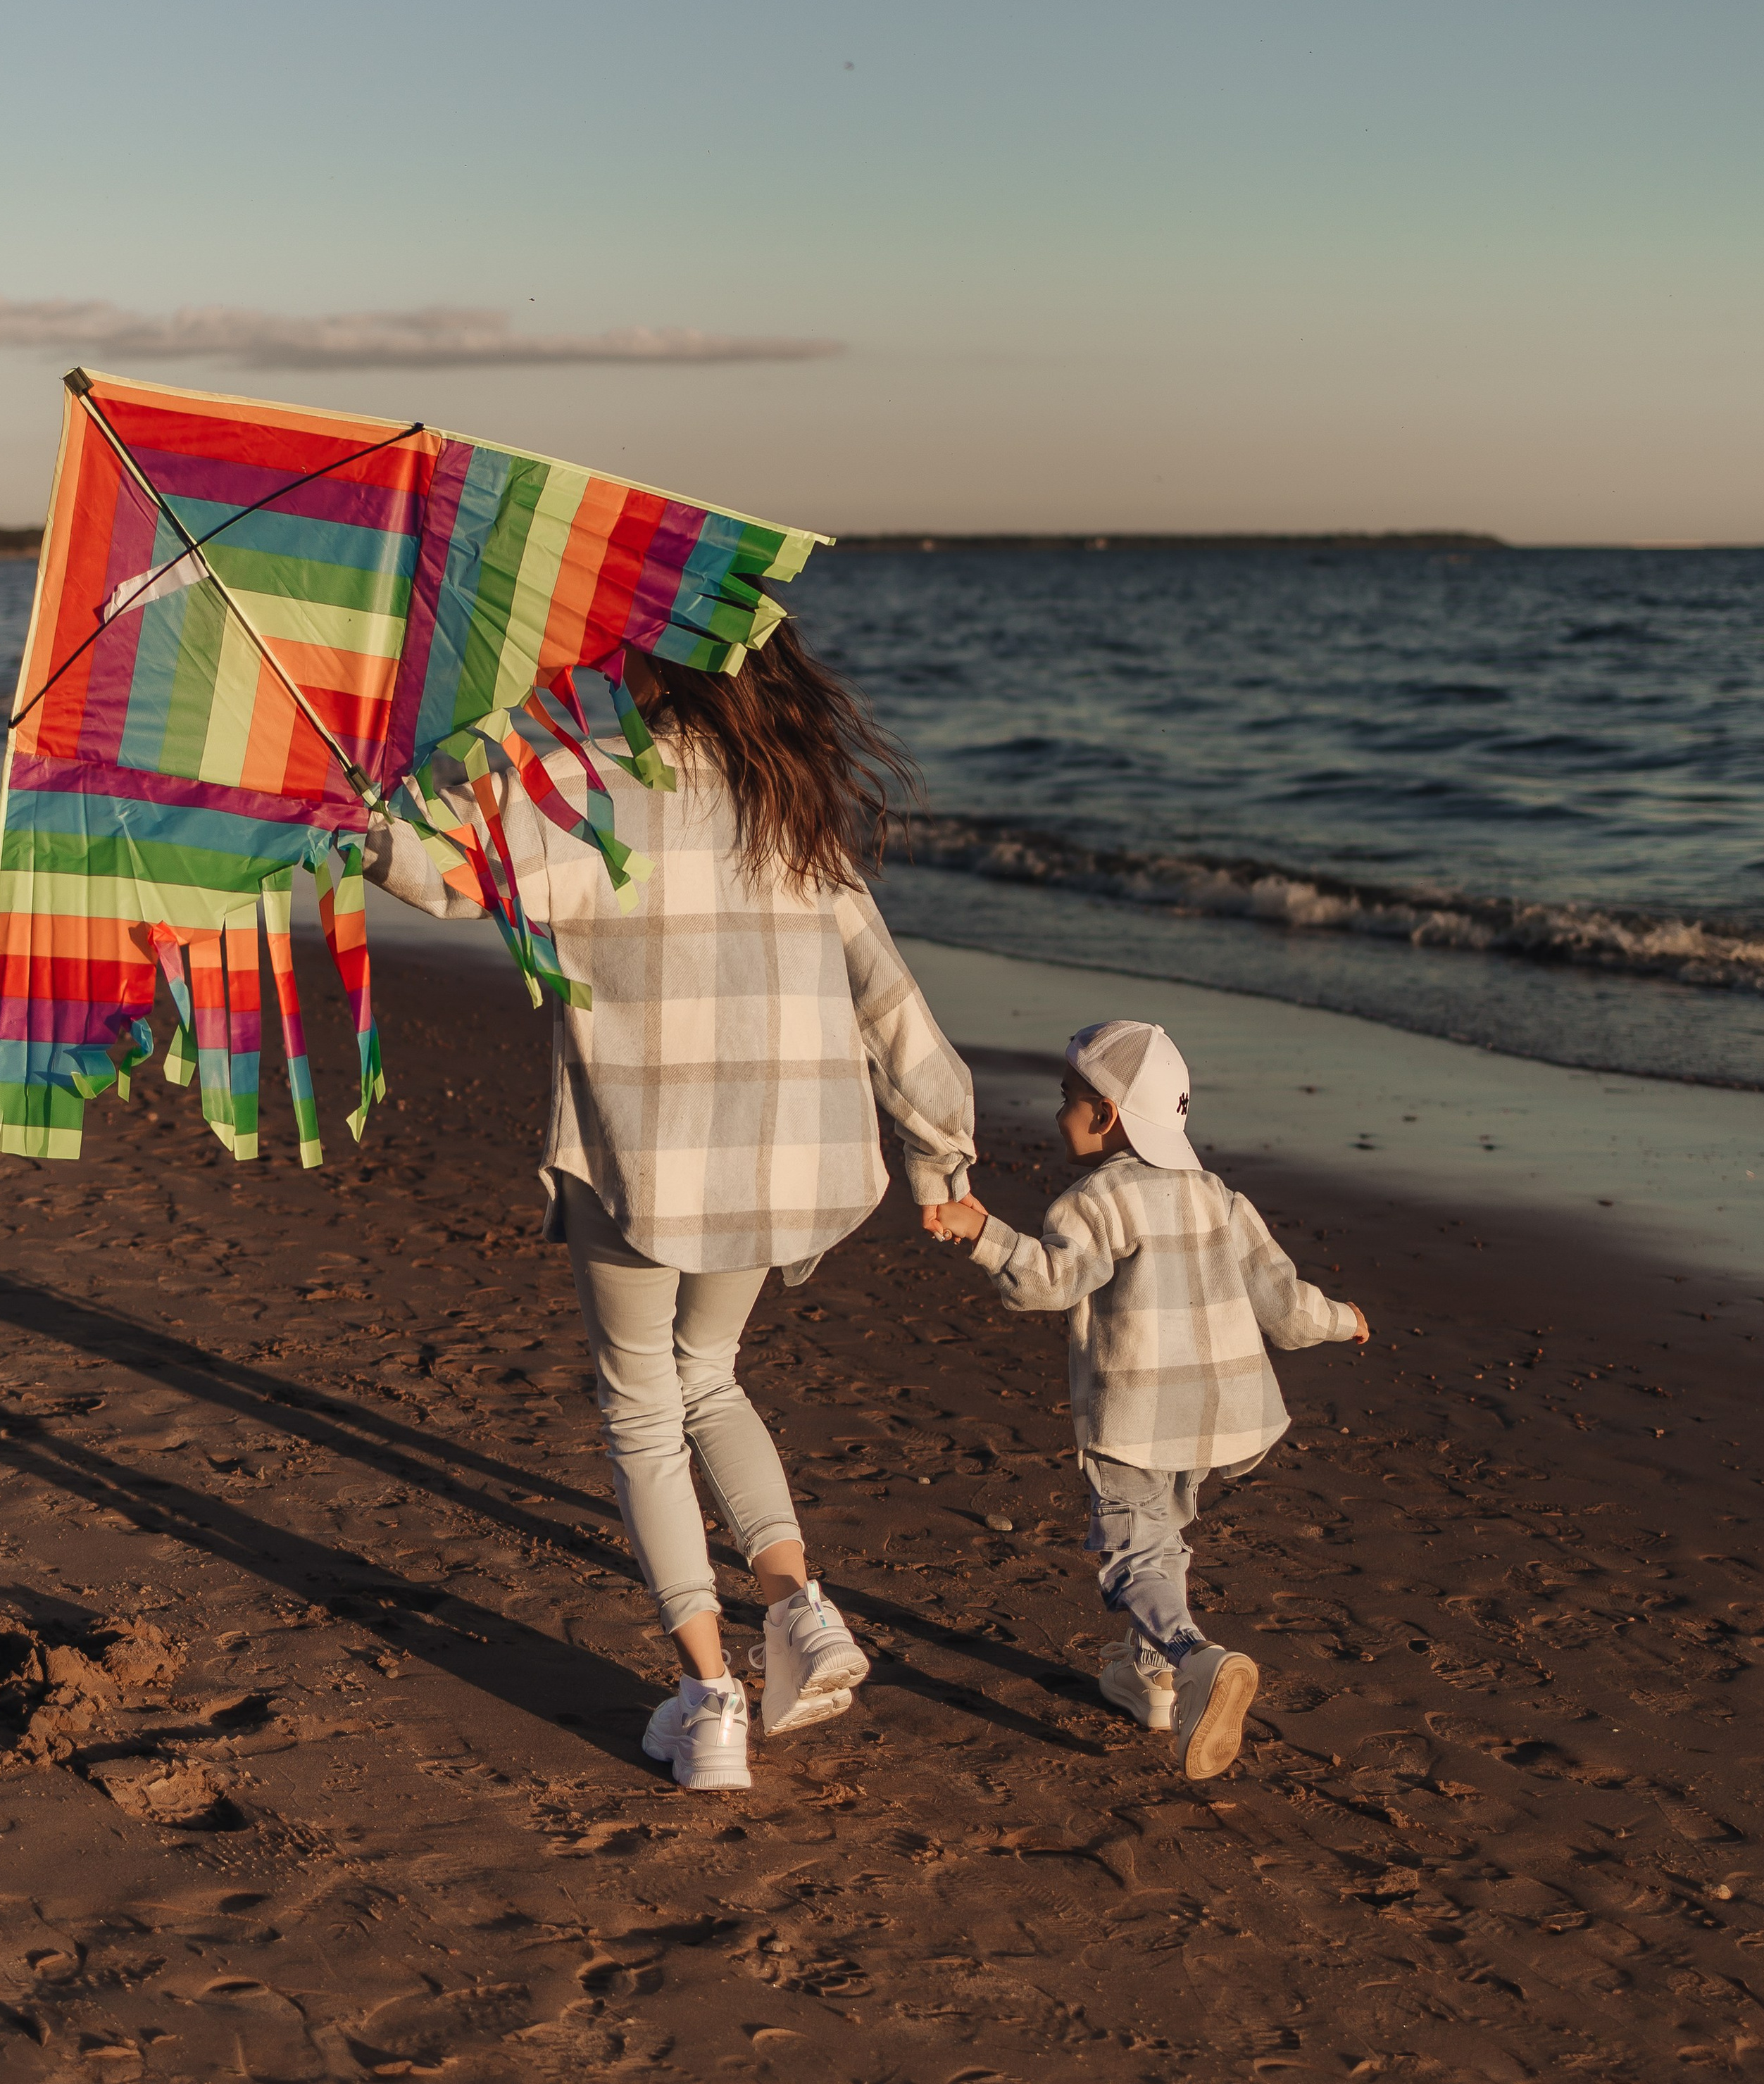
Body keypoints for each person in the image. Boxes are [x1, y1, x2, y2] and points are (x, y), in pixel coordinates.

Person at [364, 627, 975, 1792]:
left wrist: (359, 825)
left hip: (647, 1158)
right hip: (779, 1156)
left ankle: (709, 1704)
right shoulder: (788, 800)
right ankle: (799, 1610)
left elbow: (455, 879)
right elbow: (886, 991)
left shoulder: (592, 783)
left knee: (643, 1407)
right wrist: (942, 1152)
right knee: (710, 1372)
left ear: (664, 670)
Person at [927, 1017, 1368, 1781]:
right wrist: (1344, 1319)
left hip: (1133, 1417)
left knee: (1132, 1554)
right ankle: (1150, 1683)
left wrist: (983, 1235)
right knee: (1165, 1538)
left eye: (1067, 1097)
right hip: (1213, 1414)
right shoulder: (1219, 1199)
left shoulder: (1095, 1201)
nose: (1057, 1111)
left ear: (1105, 1114)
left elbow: (1051, 1281)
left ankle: (1195, 1660)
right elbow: (1285, 1304)